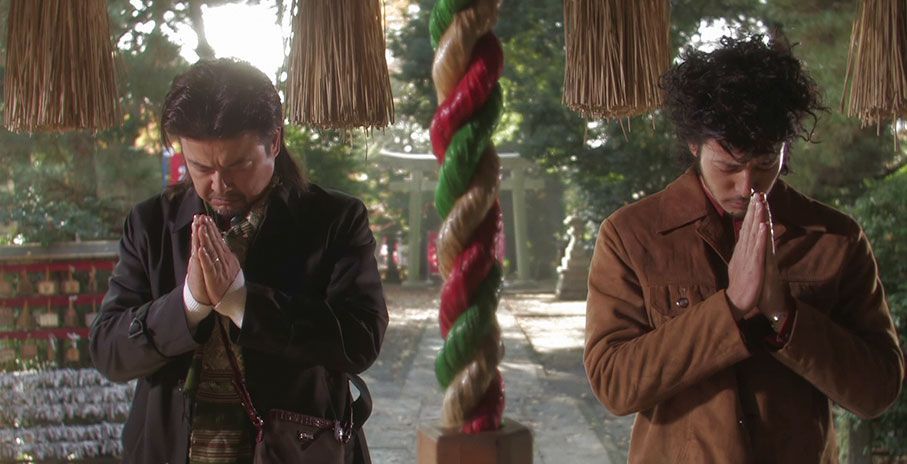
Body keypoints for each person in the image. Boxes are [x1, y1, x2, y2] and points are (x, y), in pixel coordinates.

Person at [584, 35, 903, 463]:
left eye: (765, 164)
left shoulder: (834, 238)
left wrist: (784, 315)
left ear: (785, 151)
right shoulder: (632, 235)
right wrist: (730, 307)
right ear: (695, 146)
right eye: (729, 166)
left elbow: (877, 390)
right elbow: (614, 384)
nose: (747, 185)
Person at [90, 59, 388, 464]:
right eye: (200, 167)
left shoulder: (333, 220)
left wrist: (244, 304)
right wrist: (189, 305)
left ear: (275, 143)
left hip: (296, 449)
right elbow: (109, 349)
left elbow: (361, 340)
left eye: (238, 165)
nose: (219, 184)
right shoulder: (152, 224)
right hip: (171, 447)